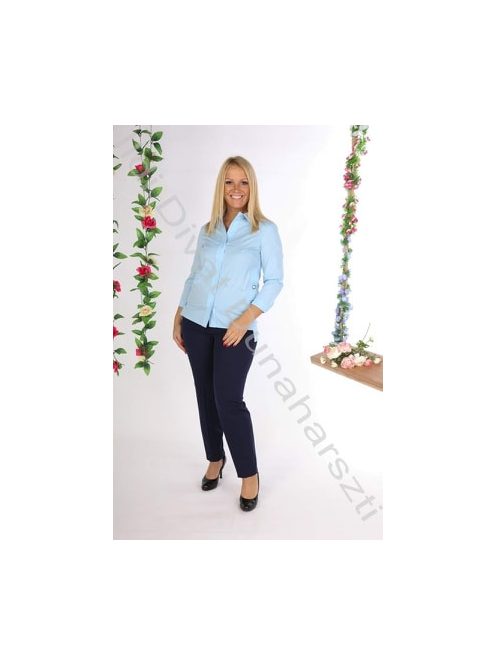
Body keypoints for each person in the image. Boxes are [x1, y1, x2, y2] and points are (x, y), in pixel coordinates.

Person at [172, 155, 284, 512]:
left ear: (252, 187)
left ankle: (249, 475)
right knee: (205, 396)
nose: (236, 189)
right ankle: (215, 459)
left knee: (228, 400)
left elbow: (275, 281)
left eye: (243, 182)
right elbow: (195, 275)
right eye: (230, 182)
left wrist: (244, 319)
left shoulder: (265, 230)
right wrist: (179, 315)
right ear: (221, 186)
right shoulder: (208, 229)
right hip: (196, 322)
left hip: (236, 330)